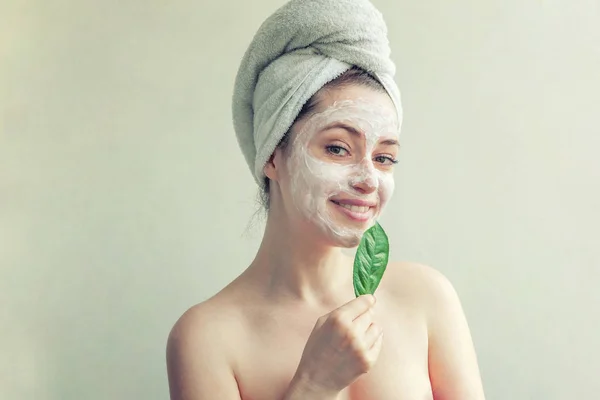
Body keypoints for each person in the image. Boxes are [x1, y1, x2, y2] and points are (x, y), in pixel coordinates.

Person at [166, 1, 486, 399]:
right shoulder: (207, 338)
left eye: (384, 157)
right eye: (337, 148)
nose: (370, 179)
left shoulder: (425, 297)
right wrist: (314, 385)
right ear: (272, 156)